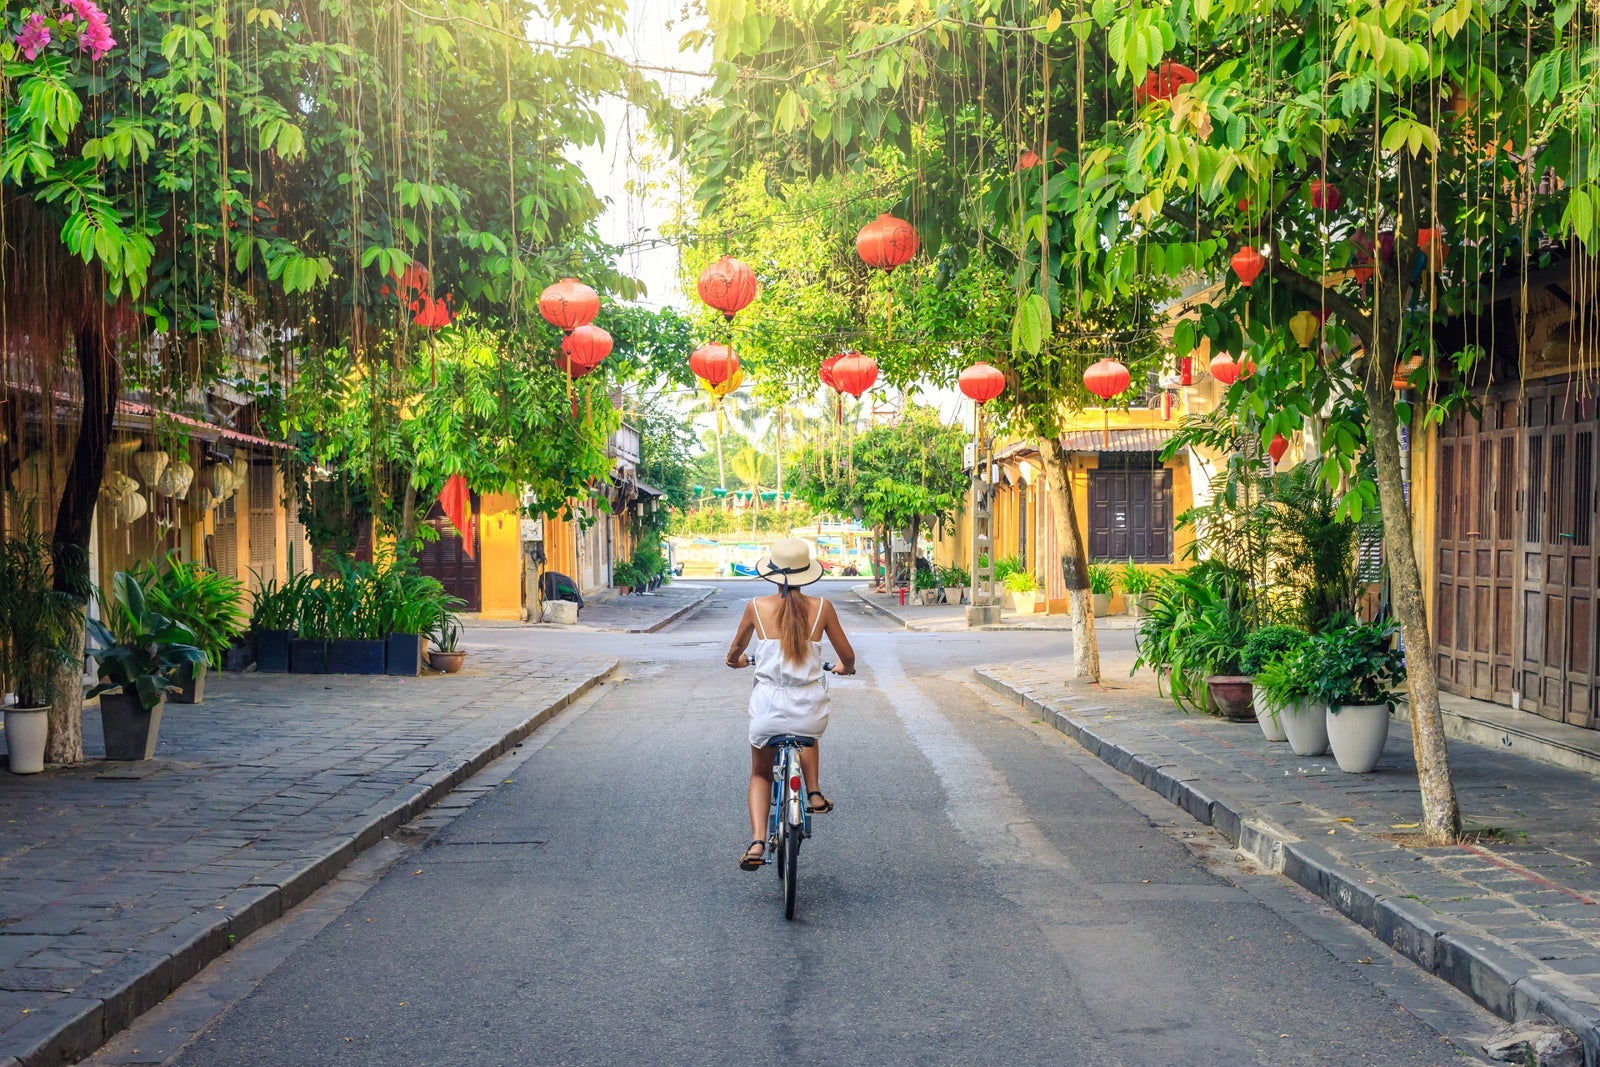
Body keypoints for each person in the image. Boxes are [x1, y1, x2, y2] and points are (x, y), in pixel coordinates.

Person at [725, 538, 856, 871]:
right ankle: (813, 792)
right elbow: (848, 657)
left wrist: (739, 661)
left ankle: (757, 841)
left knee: (760, 773)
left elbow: (733, 655)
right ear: (807, 573)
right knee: (806, 735)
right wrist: (845, 668)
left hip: (768, 708)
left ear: (771, 572)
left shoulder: (755, 607)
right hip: (809, 707)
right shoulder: (823, 607)